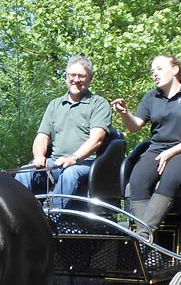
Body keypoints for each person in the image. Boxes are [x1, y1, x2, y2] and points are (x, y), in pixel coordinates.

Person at [111, 54, 181, 233]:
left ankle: (143, 236)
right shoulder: (152, 97)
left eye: (159, 69)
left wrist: (172, 152)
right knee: (137, 180)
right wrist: (125, 113)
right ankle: (147, 237)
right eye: (152, 71)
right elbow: (135, 126)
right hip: (157, 148)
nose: (154, 74)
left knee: (170, 177)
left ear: (175, 70)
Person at [15, 56, 112, 210]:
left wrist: (73, 158)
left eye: (81, 76)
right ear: (66, 76)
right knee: (24, 172)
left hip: (86, 164)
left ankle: (51, 217)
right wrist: (39, 156)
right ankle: (22, 214)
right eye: (71, 75)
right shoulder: (55, 105)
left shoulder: (99, 103)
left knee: (70, 174)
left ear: (90, 79)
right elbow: (42, 137)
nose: (76, 80)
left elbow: (97, 140)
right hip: (55, 163)